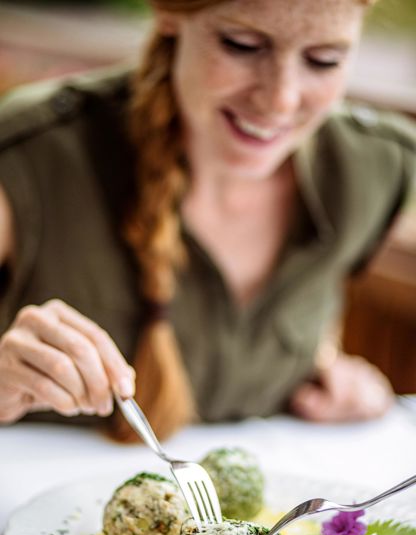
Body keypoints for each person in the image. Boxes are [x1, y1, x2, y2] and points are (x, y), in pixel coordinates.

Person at [0, 0, 414, 442]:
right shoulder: (31, 156)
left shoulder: (376, 168)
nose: (280, 99)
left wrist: (347, 382)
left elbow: (313, 327)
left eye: (323, 61)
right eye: (242, 45)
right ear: (169, 15)